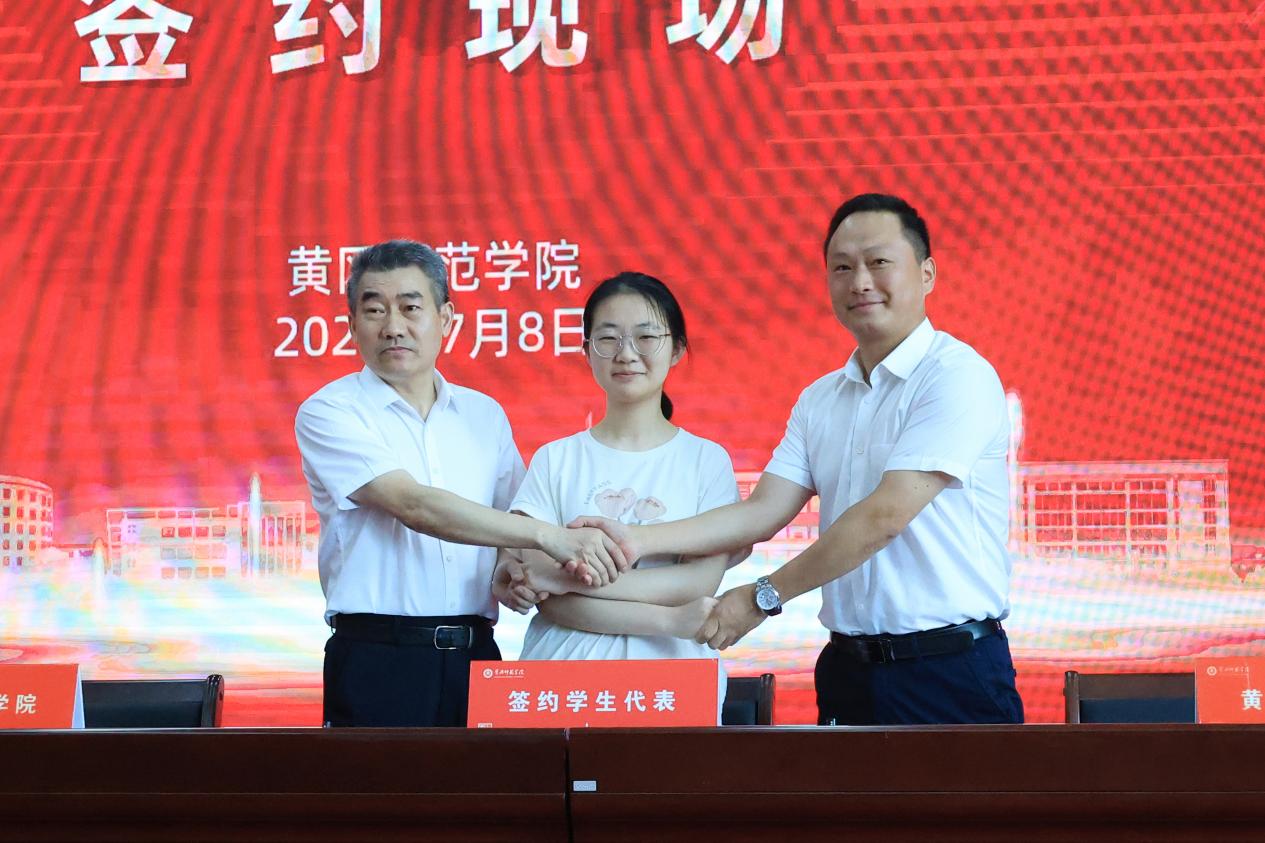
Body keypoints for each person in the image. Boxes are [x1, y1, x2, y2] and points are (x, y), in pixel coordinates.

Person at [571, 195, 1024, 725]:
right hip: (848, 668)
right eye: (842, 267)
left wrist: (762, 597)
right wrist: (637, 540)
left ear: (926, 274)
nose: (860, 282)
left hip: (950, 669)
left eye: (879, 262)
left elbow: (884, 517)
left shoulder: (955, 376)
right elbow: (762, 512)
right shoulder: (821, 399)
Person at [294, 239, 628, 728]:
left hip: (477, 656)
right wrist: (548, 538)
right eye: (375, 310)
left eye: (411, 307)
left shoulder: (483, 414)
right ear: (351, 325)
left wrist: (510, 567)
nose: (393, 326)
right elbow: (414, 505)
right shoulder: (330, 411)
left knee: (487, 781)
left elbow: (513, 514)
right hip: (377, 658)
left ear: (446, 319)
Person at [493, 272, 742, 721]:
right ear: (587, 350)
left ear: (677, 349)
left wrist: (568, 581)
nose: (626, 354)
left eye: (646, 337)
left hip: (672, 684)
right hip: (562, 681)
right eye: (608, 339)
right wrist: (670, 615)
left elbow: (699, 583)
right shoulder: (555, 458)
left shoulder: (706, 460)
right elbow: (540, 581)